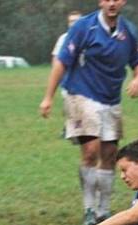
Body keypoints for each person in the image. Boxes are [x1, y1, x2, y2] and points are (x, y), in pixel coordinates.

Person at [39, 0, 138, 225]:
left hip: (111, 100)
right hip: (81, 94)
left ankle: (103, 210)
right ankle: (89, 208)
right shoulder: (83, 27)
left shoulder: (129, 31)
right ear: (101, 2)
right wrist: (48, 96)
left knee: (110, 154)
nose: (112, 3)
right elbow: (61, 62)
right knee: (91, 151)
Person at [51, 11, 82, 139]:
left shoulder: (88, 36)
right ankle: (70, 129)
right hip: (67, 79)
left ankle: (75, 131)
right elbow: (56, 58)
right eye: (71, 21)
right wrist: (56, 74)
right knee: (69, 105)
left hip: (84, 79)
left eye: (77, 20)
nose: (74, 23)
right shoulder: (63, 39)